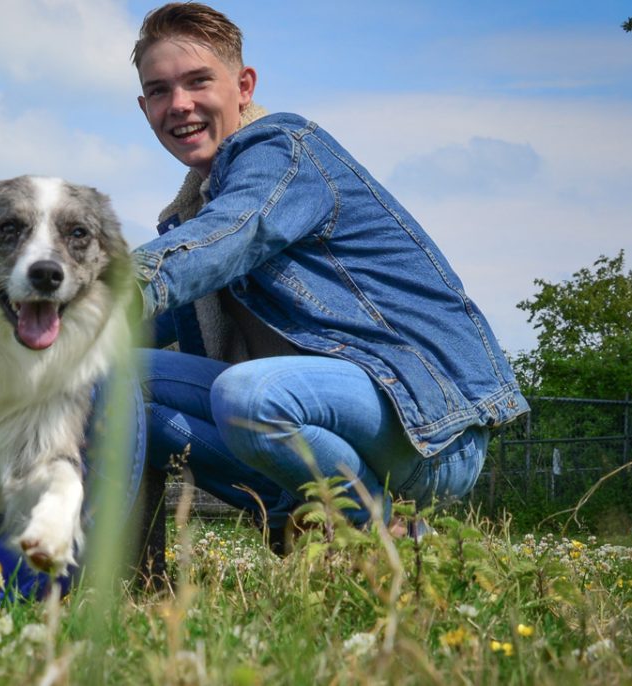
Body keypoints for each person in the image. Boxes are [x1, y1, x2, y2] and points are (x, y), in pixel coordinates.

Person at [129, 3, 529, 553]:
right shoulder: (192, 217)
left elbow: (234, 232)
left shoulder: (283, 154)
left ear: (243, 86)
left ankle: (389, 535)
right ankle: (129, 573)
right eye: (159, 90)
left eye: (198, 81)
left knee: (249, 391)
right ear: (144, 105)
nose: (180, 105)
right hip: (310, 426)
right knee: (102, 381)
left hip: (423, 431)